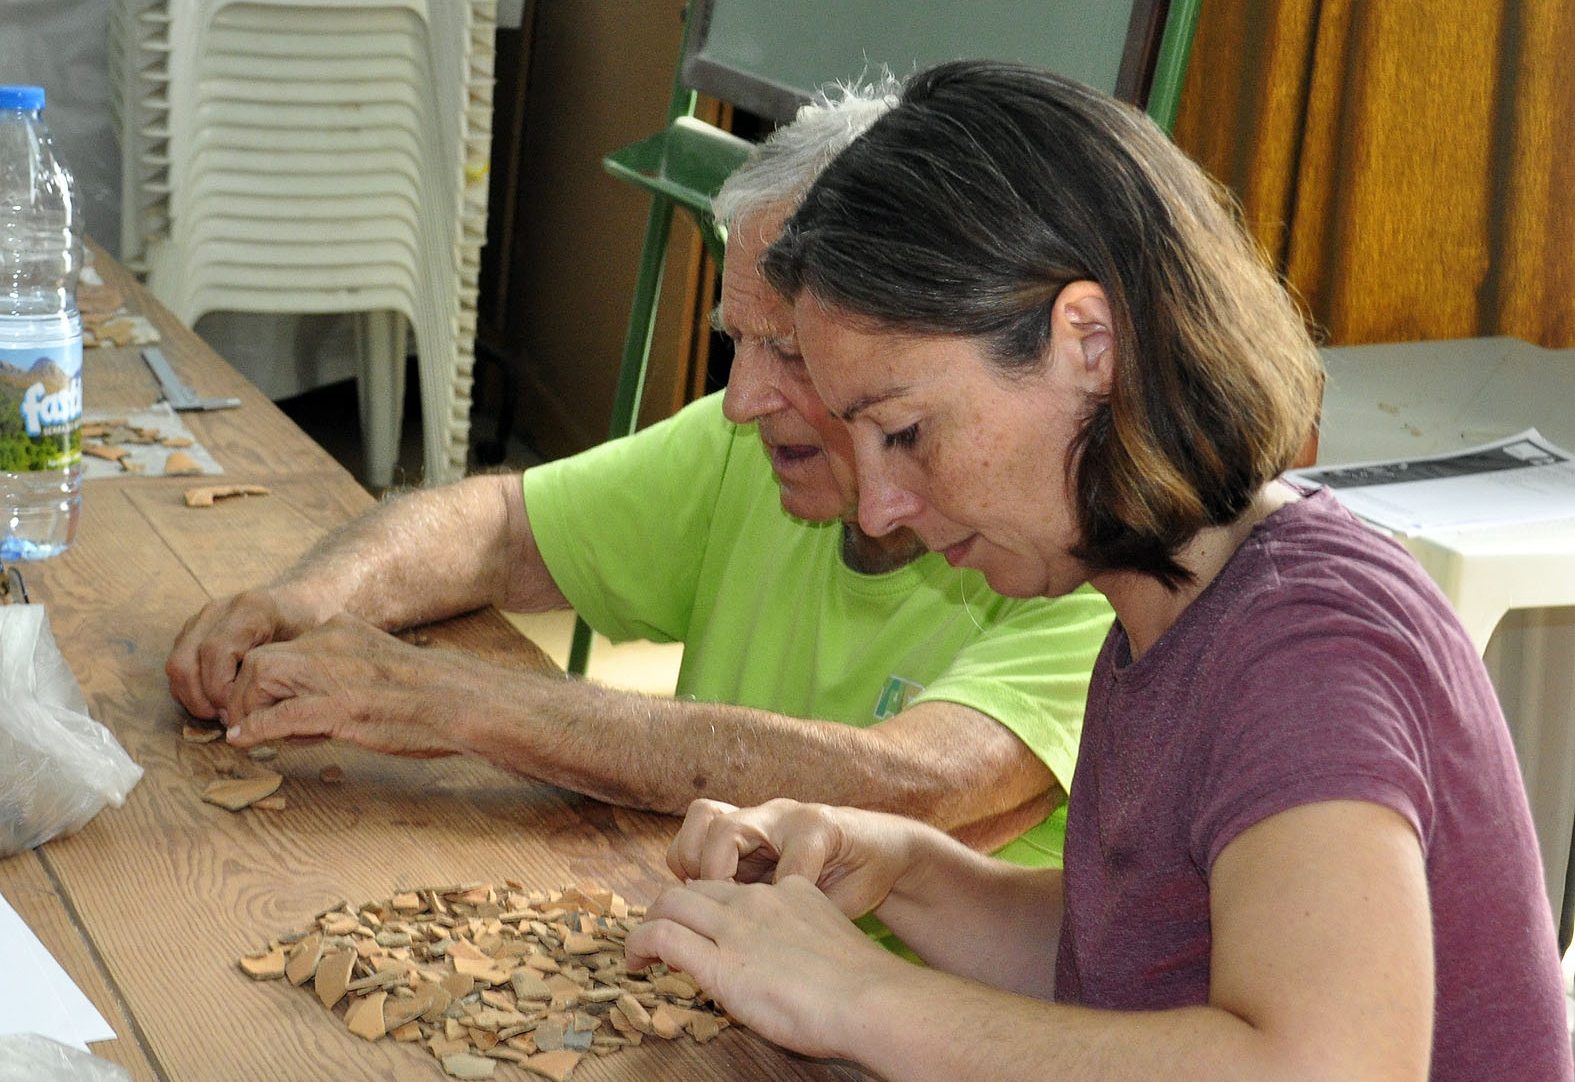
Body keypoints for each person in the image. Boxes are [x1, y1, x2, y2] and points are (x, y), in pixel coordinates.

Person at [624, 60, 1574, 1080]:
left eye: (904, 431)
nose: (882, 499)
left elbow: (1327, 1062)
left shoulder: (1309, 645)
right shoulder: (1163, 611)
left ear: (1091, 342)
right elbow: (1132, 968)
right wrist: (905, 870)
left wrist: (862, 995)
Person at [164, 81, 1113, 863]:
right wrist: (317, 599)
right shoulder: (752, 442)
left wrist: (454, 699)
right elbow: (500, 527)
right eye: (737, 342)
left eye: (790, 351)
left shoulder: (1065, 535)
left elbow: (916, 784)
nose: (743, 399)